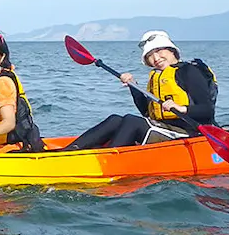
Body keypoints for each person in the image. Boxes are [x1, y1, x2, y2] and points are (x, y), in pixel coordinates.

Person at [60, 30, 218, 150]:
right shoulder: (157, 76)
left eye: (159, 51)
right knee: (115, 119)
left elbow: (207, 111)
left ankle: (109, 158)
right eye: (150, 55)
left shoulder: (189, 71)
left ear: (172, 51)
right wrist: (133, 86)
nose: (156, 58)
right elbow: (146, 113)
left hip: (188, 132)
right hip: (163, 128)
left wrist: (181, 108)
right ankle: (70, 151)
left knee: (131, 121)